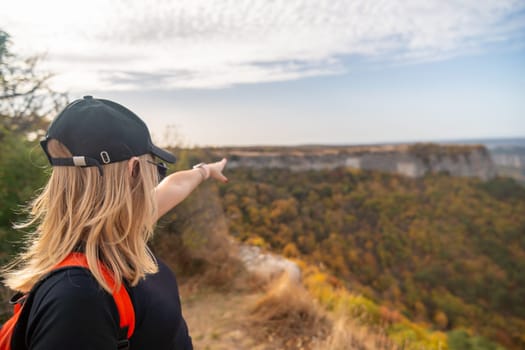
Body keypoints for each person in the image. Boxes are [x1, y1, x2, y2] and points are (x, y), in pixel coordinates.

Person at [1, 96, 228, 350]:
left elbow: (175, 185)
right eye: (155, 166)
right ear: (133, 170)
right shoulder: (79, 299)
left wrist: (205, 170)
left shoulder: (117, 232)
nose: (157, 177)